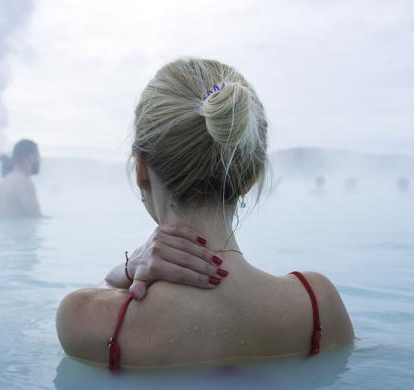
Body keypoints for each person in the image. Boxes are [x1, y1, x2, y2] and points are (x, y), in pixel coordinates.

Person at [56, 58, 354, 370]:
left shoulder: (87, 320)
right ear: (251, 178)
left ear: (141, 170)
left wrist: (125, 271)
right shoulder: (318, 306)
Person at [0, 139, 43, 218]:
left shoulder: (7, 179)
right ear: (30, 158)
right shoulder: (24, 182)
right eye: (38, 156)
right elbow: (36, 218)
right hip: (17, 229)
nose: (40, 161)